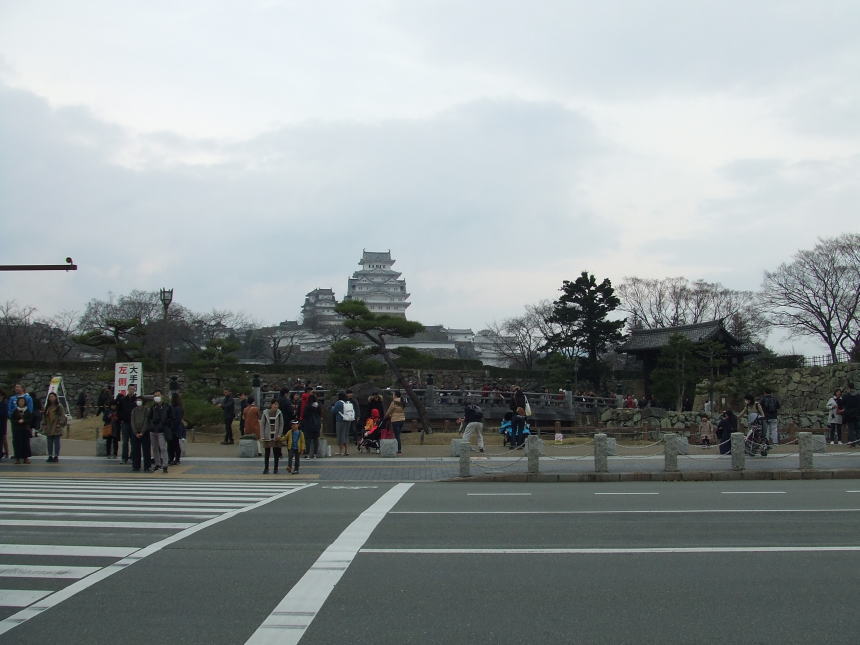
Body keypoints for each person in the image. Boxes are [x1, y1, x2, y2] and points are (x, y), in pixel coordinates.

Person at [146, 389, 174, 473]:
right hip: (153, 430)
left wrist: (166, 425)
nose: (156, 397)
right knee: (154, 448)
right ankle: (157, 463)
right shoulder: (153, 407)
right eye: (155, 396)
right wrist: (151, 426)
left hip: (162, 430)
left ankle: (165, 464)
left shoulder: (167, 407)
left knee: (163, 448)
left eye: (158, 395)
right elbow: (149, 418)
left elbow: (171, 418)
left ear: (162, 396)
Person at [260, 399, 285, 474]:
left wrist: (279, 435)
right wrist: (262, 435)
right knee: (267, 453)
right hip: (267, 435)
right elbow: (262, 424)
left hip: (276, 436)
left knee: (276, 453)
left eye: (277, 404)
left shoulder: (279, 413)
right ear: (271, 405)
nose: (276, 406)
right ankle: (266, 468)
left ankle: (275, 468)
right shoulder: (265, 413)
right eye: (274, 404)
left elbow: (281, 424)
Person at [42, 392, 68, 462]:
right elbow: (44, 417)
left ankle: (56, 456)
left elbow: (63, 416)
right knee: (49, 442)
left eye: (53, 396)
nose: (51, 398)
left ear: (56, 397)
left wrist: (60, 424)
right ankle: (50, 455)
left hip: (56, 426)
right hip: (49, 426)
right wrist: (44, 425)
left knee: (56, 442)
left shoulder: (59, 406)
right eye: (50, 397)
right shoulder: (47, 407)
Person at [116, 384, 138, 464]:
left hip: (134, 424)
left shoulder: (137, 400)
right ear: (127, 390)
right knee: (125, 441)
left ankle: (132, 457)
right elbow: (119, 411)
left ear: (134, 390)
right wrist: (121, 418)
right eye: (130, 389)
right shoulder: (123, 400)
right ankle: (124, 458)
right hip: (125, 423)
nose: (131, 390)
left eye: (133, 389)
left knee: (133, 441)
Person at [130, 394, 151, 472]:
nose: (138, 402)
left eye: (140, 400)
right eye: (137, 400)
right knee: (135, 450)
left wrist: (142, 432)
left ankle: (147, 466)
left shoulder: (146, 410)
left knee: (146, 450)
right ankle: (136, 466)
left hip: (144, 432)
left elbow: (146, 421)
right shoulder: (134, 410)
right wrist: (135, 432)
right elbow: (132, 421)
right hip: (135, 432)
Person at [331, 391, 355, 457]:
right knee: (346, 435)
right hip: (348, 420)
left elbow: (334, 411)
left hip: (340, 421)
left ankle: (340, 451)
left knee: (340, 435)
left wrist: (332, 407)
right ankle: (346, 451)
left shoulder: (338, 403)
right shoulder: (349, 402)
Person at [10, 396, 33, 464]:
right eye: (20, 401)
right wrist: (18, 421)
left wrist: (24, 420)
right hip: (17, 430)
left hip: (25, 430)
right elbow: (12, 420)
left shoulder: (27, 410)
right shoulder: (15, 411)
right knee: (17, 444)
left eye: (23, 401)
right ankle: (17, 458)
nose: (21, 402)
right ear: (17, 402)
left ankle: (26, 458)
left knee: (25, 444)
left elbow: (30, 419)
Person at [384, 390, 407, 455]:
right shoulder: (402, 401)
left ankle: (399, 450)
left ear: (396, 395)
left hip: (395, 420)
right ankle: (398, 449)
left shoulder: (394, 402)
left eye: (393, 394)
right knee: (398, 435)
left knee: (397, 435)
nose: (392, 396)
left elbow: (389, 411)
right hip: (402, 419)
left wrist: (386, 417)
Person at [300, 391, 321, 458]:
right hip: (317, 424)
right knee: (316, 439)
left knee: (308, 439)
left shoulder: (307, 406)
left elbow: (304, 415)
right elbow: (320, 414)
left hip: (309, 424)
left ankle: (308, 454)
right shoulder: (318, 405)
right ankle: (315, 454)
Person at [841, 381, 860, 447]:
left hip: (849, 415)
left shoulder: (846, 396)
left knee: (851, 430)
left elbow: (841, 404)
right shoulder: (858, 395)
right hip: (857, 415)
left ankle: (853, 443)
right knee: (858, 429)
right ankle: (858, 442)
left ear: (848, 388)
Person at [168, 393, 185, 465]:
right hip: (177, 428)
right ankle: (176, 459)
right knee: (175, 444)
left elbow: (176, 419)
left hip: (173, 428)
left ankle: (173, 458)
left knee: (172, 445)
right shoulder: (180, 407)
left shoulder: (174, 407)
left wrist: (171, 426)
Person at [0, 388, 8, 460]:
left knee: (2, 438)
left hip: (2, 424)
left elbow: (4, 414)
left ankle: (5, 453)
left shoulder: (4, 404)